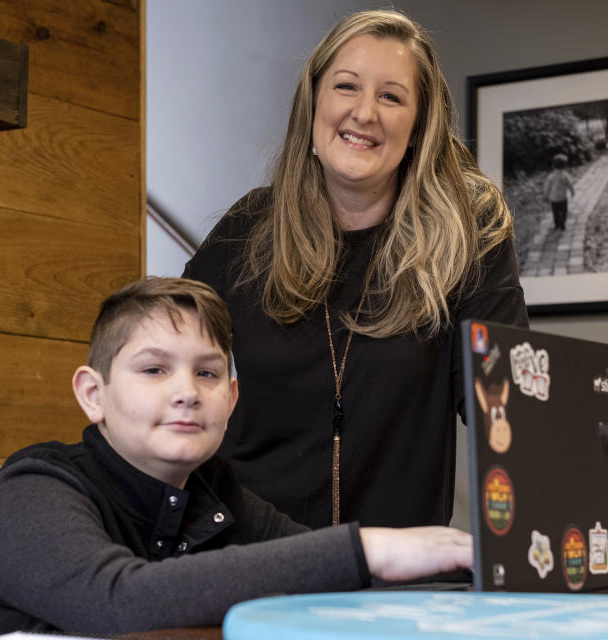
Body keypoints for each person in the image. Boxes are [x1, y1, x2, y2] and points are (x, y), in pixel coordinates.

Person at [0, 277, 472, 636]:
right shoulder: (31, 487)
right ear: (94, 394)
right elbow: (116, 601)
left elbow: (336, 582)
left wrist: (484, 566)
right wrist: (370, 547)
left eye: (206, 373)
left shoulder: (219, 497)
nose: (187, 392)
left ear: (230, 400)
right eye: (155, 370)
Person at [183, 10, 528, 531]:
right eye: (347, 87)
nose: (365, 113)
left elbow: (507, 410)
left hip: (396, 576)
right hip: (248, 562)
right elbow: (163, 361)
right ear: (314, 103)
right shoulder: (249, 229)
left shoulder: (467, 238)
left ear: (417, 127)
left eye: (391, 96)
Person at [544, 153, 575, 230]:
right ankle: (562, 222)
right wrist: (572, 192)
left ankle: (557, 224)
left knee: (555, 213)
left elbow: (547, 187)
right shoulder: (565, 175)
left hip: (554, 199)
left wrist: (546, 196)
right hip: (563, 198)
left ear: (553, 165)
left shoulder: (551, 176)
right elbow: (570, 184)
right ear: (564, 166)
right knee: (564, 211)